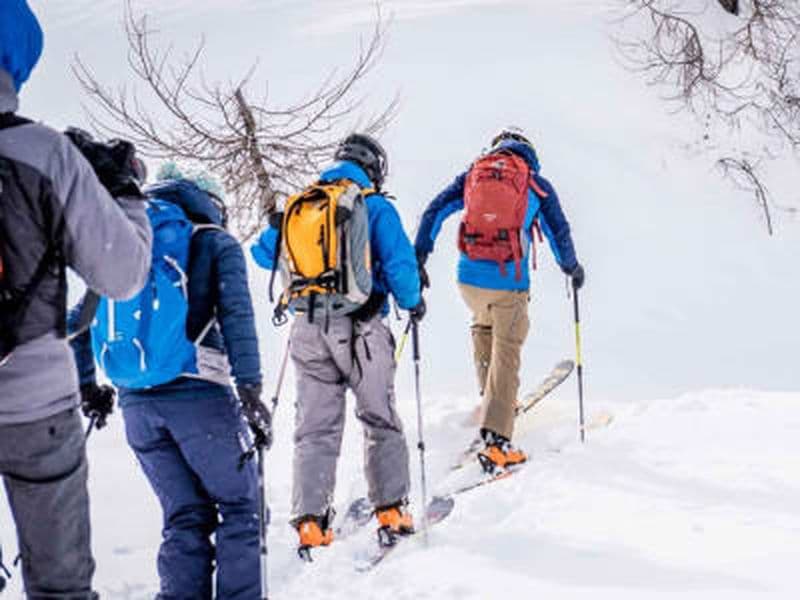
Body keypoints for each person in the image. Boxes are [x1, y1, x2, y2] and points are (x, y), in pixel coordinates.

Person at [0, 1, 153, 597]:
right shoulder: (43, 152)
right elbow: (123, 275)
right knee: (61, 586)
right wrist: (123, 190)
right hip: (35, 405)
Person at [69, 167, 270, 599]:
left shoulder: (122, 241)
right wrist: (251, 389)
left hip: (137, 405)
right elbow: (237, 317)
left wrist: (89, 388)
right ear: (210, 202)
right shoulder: (214, 242)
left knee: (184, 514)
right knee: (243, 507)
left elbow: (77, 324)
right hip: (199, 395)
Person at [252, 133, 424, 557]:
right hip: (362, 329)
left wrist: (279, 228)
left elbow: (261, 253)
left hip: (307, 330)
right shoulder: (374, 205)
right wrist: (413, 302)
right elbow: (401, 267)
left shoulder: (304, 204)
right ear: (374, 168)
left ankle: (311, 523)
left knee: (315, 427)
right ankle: (391, 511)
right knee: (379, 417)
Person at [415, 126, 584, 472]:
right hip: (509, 282)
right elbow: (559, 231)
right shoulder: (534, 183)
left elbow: (434, 211)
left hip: (468, 280)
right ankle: (497, 442)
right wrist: (571, 267)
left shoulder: (473, 176)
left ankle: (492, 400)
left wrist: (420, 255)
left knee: (484, 328)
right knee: (507, 350)